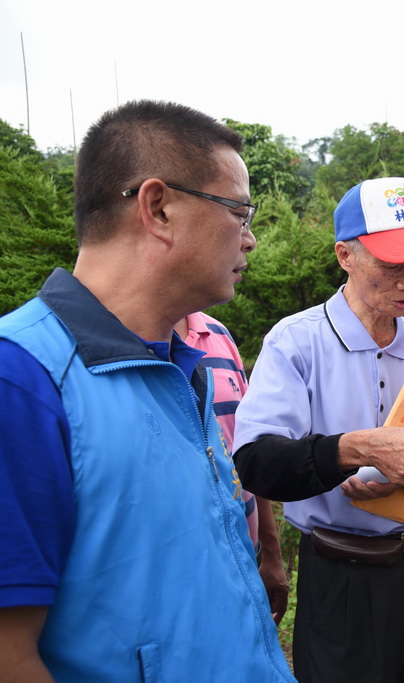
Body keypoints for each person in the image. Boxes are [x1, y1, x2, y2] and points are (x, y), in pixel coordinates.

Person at [0, 100, 293, 680]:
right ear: (157, 207)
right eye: (240, 212)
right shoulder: (24, 381)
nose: (250, 239)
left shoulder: (185, 367)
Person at [233, 176, 404, 683]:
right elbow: (258, 462)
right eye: (393, 263)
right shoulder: (296, 344)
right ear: (345, 255)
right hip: (341, 571)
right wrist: (350, 451)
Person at [175, 311, 289, 623]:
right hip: (179, 575)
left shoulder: (218, 333)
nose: (247, 257)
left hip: (244, 555)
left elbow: (248, 452)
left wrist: (271, 554)